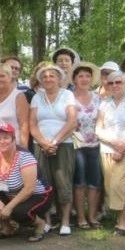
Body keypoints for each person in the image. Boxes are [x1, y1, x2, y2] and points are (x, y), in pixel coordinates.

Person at [0, 123, 53, 242]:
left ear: (14, 140)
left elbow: (29, 189)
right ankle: (7, 228)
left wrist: (9, 207)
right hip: (11, 193)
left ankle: (40, 224)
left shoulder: (25, 157)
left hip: (37, 195)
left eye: (6, 138)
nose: (2, 141)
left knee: (18, 212)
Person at [29, 64, 77, 235]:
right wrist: (44, 143)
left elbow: (72, 121)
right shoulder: (37, 97)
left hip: (63, 144)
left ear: (59, 79)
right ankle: (47, 221)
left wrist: (55, 142)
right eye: (45, 77)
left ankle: (65, 222)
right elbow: (32, 124)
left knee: (64, 182)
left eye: (52, 76)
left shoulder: (68, 95)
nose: (48, 79)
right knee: (44, 184)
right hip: (40, 145)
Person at [96, 71, 125, 236]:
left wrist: (121, 148)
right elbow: (98, 129)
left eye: (118, 82)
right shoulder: (104, 104)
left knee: (119, 185)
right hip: (107, 150)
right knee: (111, 187)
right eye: (111, 83)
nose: (115, 85)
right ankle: (120, 217)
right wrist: (114, 144)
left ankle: (123, 222)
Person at [71, 62, 102, 229]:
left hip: (95, 144)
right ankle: (81, 218)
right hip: (76, 145)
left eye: (87, 76)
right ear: (74, 79)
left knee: (95, 182)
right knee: (80, 182)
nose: (84, 79)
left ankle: (92, 216)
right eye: (80, 76)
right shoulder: (68, 97)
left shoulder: (98, 98)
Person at [0, 62, 29, 152]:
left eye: (2, 76)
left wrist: (23, 149)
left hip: (12, 147)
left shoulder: (18, 96)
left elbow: (24, 125)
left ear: (10, 77)